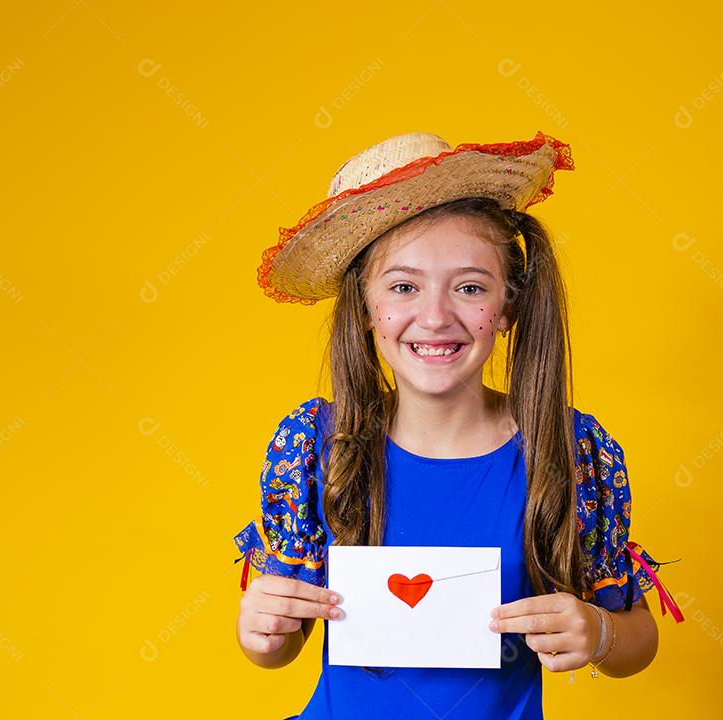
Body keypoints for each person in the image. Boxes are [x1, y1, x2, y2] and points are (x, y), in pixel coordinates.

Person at [231, 131, 684, 720]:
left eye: (470, 288)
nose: (437, 316)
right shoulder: (315, 448)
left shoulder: (567, 450)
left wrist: (598, 633)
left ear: (508, 307)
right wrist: (259, 631)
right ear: (366, 307)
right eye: (403, 286)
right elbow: (279, 648)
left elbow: (636, 642)